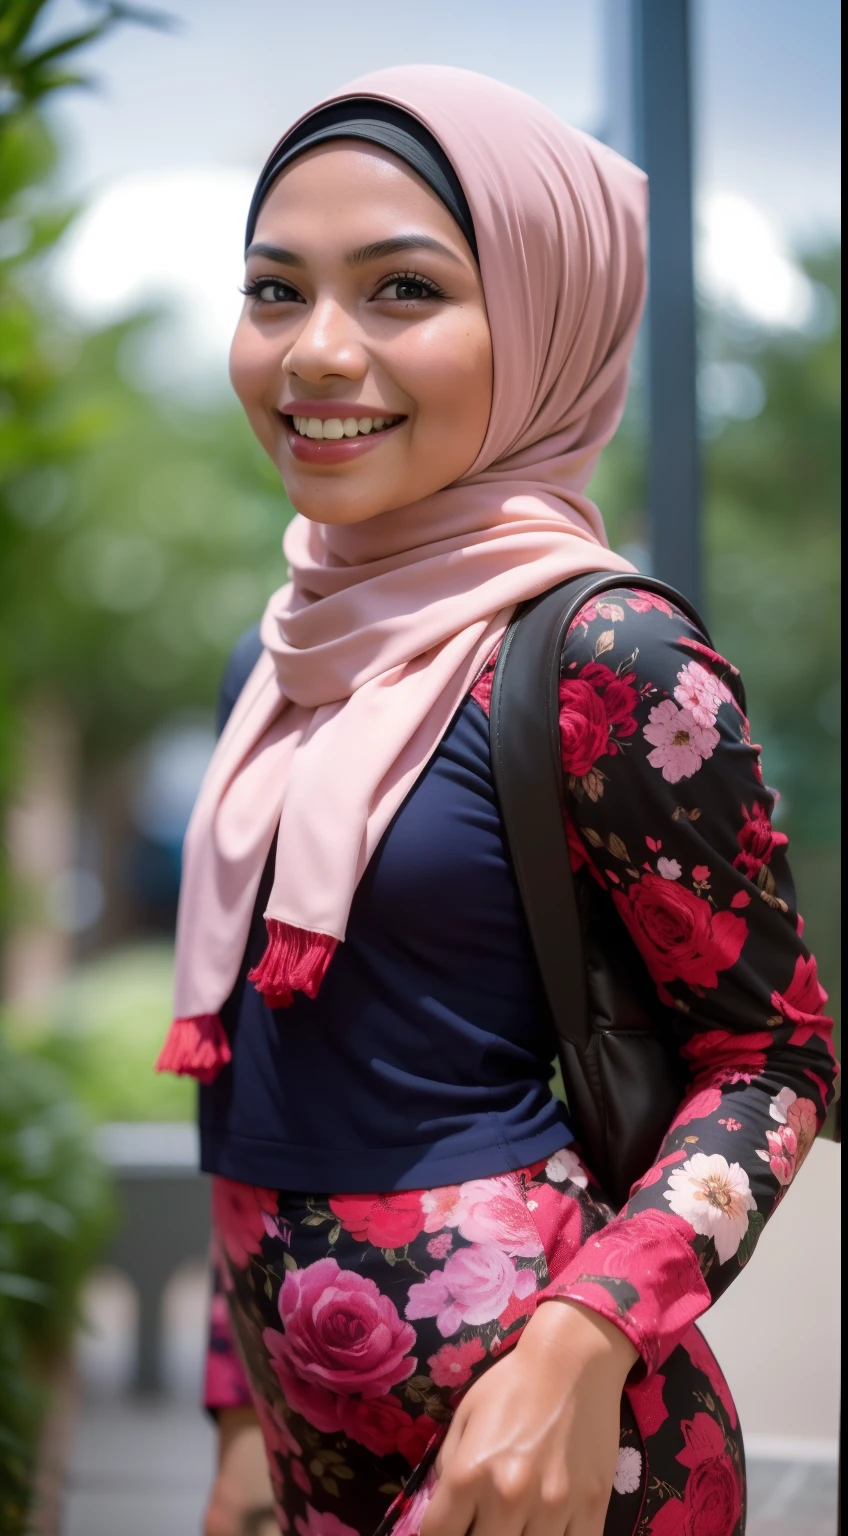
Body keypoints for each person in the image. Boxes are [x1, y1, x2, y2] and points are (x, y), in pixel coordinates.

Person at [155, 65, 837, 1536]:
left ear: (542, 322)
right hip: (302, 1443)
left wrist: (586, 1342)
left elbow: (776, 1061)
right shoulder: (276, 658)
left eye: (402, 290)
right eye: (276, 291)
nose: (316, 352)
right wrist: (237, 1402)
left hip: (558, 1460)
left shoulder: (611, 651)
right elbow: (254, 1071)